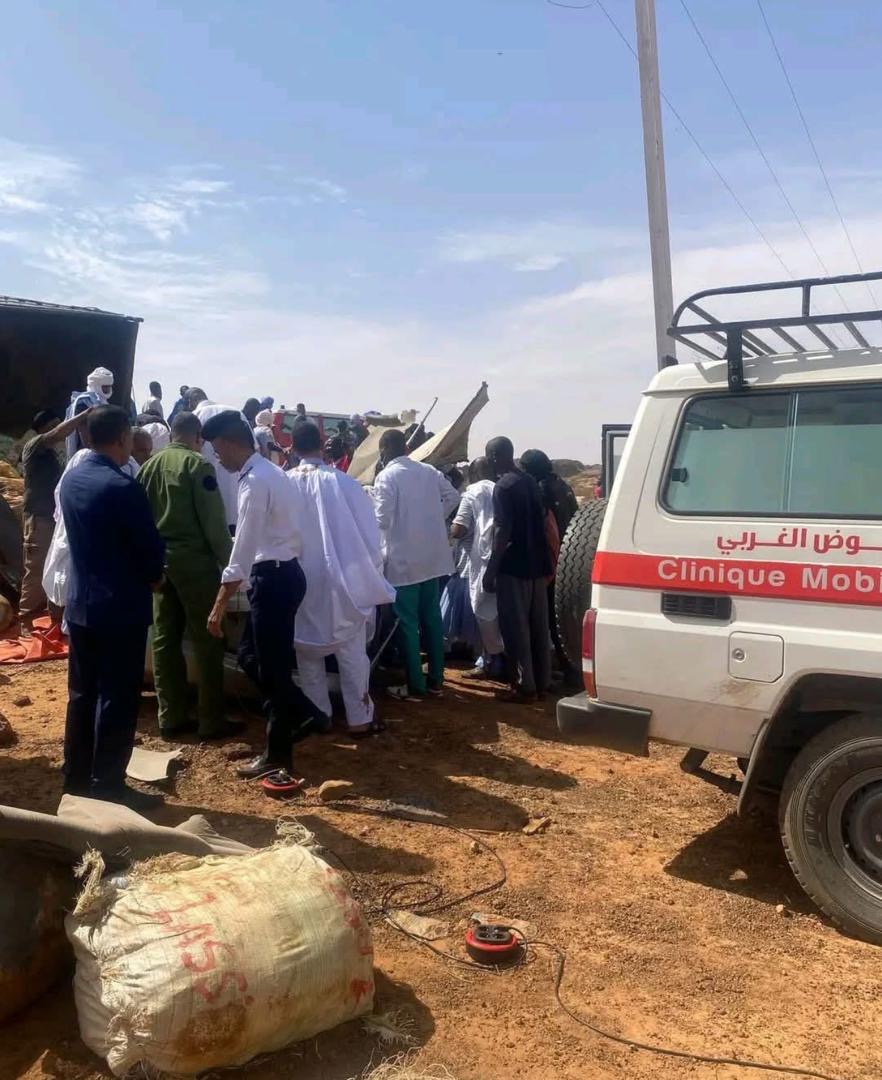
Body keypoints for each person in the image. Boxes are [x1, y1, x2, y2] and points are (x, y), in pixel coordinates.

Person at [202, 411, 329, 780]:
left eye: (216, 449)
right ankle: (306, 713)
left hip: (273, 579)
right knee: (254, 659)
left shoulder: (255, 482)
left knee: (270, 671)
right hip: (284, 574)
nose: (217, 457)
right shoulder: (272, 473)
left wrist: (218, 605)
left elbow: (242, 549)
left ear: (228, 443)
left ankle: (280, 756)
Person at [59, 405, 166, 809]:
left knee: (81, 694)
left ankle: (76, 776)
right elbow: (149, 551)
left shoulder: (72, 480)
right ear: (122, 437)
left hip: (82, 605)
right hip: (121, 608)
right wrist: (157, 578)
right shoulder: (124, 487)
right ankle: (108, 784)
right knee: (118, 696)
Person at [138, 412, 241, 740]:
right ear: (197, 438)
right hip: (195, 566)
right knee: (209, 639)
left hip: (158, 564)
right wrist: (232, 566)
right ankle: (211, 720)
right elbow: (214, 526)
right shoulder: (198, 467)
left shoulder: (147, 468)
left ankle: (171, 716)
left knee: (165, 639)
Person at [288, 422, 395, 736]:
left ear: (292, 447)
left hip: (301, 580)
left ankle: (318, 714)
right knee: (351, 653)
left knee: (307, 655)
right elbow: (370, 536)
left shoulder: (284, 484)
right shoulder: (346, 485)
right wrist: (371, 573)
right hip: (343, 581)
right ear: (321, 444)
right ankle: (359, 718)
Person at [372, 428, 460, 698]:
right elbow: (454, 497)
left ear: (384, 451)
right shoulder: (428, 471)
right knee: (432, 619)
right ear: (407, 449)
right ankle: (436, 678)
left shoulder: (386, 476)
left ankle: (415, 686)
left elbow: (381, 521)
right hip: (432, 560)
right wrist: (434, 517)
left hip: (403, 562)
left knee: (408, 624)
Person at [484, 436, 552, 702]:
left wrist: (491, 569)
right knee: (537, 626)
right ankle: (542, 682)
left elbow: (502, 530)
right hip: (537, 564)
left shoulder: (503, 487)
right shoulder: (530, 482)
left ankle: (524, 686)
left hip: (513, 567)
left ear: (493, 457)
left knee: (516, 628)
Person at [19, 408, 93, 631]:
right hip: (39, 516)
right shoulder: (34, 446)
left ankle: (48, 616)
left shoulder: (50, 453)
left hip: (52, 516)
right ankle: (25, 620)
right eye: (55, 424)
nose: (60, 430)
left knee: (53, 564)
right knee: (36, 567)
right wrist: (84, 414)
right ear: (44, 428)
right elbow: (59, 433)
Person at [451, 456, 505, 679]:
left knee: (483, 611)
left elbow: (459, 529)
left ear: (472, 475)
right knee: (502, 613)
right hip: (505, 556)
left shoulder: (471, 492)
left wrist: (447, 527)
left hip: (482, 559)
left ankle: (492, 661)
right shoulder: (500, 488)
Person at [188, 388, 253, 531]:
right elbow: (253, 450)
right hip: (241, 501)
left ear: (190, 402)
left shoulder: (193, 418)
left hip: (210, 505)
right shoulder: (236, 414)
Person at [65, 367, 115, 460]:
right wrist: (94, 452)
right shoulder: (83, 402)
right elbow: (84, 433)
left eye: (109, 386)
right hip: (86, 453)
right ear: (96, 385)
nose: (108, 389)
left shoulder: (104, 403)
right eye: (105, 386)